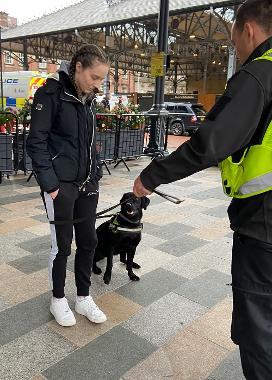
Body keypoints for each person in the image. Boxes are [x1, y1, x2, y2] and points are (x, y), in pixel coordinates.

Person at [133, 1, 272, 378]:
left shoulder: (259, 74)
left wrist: (151, 176)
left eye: (233, 42)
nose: (236, 51)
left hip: (263, 227)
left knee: (259, 334)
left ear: (248, 31)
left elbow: (209, 144)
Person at [27, 45, 109, 327]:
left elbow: (88, 143)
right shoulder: (51, 94)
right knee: (62, 245)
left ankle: (83, 297)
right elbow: (35, 143)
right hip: (60, 184)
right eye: (95, 77)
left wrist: (95, 174)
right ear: (78, 68)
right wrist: (51, 185)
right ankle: (58, 298)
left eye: (102, 79)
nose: (98, 85)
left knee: (89, 241)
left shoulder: (88, 99)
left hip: (87, 183)